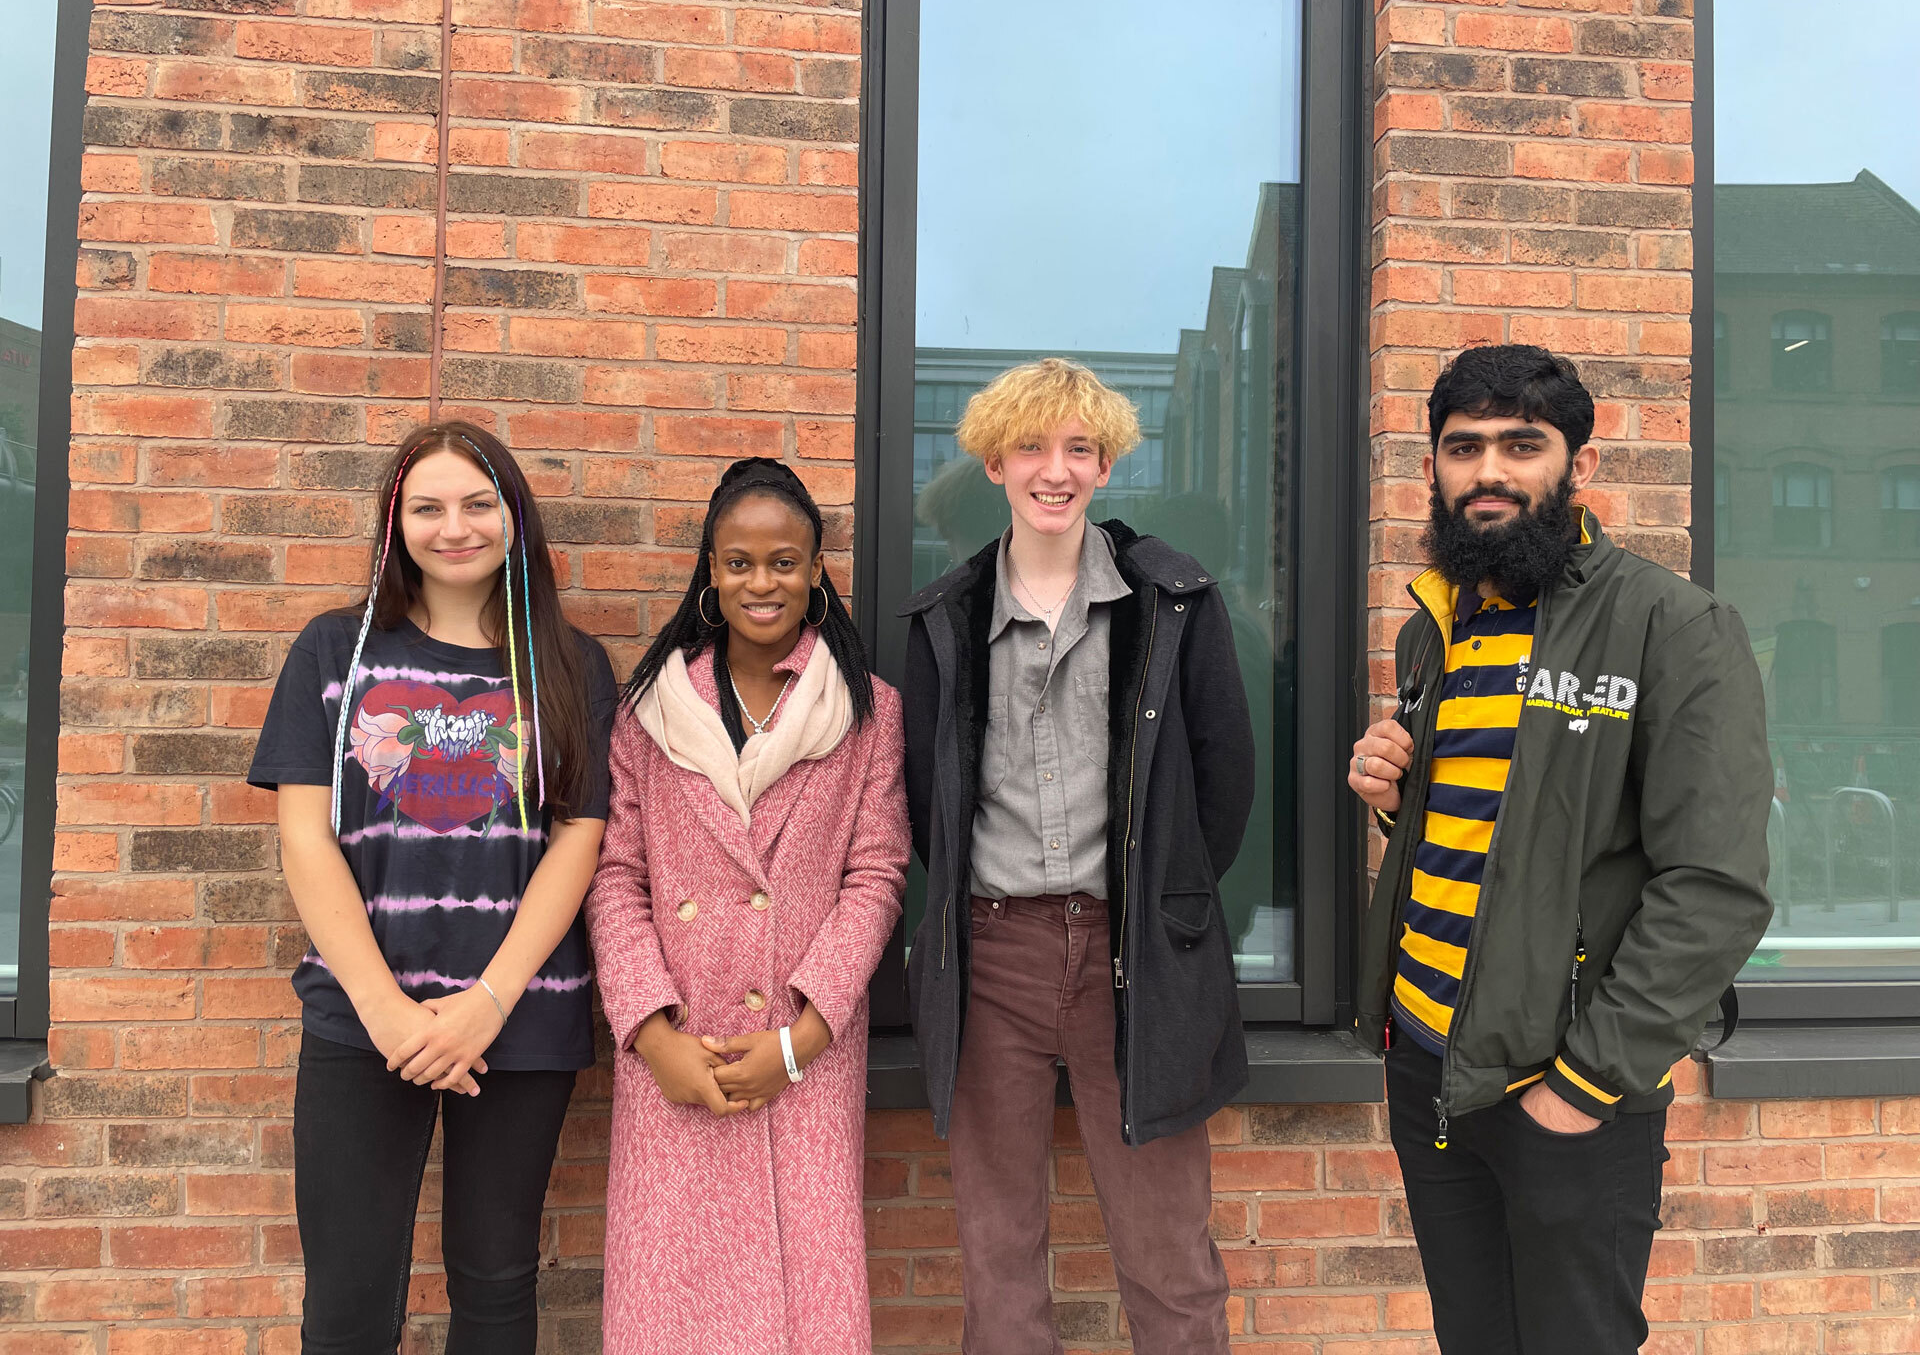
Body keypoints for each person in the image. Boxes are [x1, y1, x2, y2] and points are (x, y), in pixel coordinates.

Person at [1346, 344, 1772, 1355]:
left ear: (1578, 467)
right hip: (1433, 1071)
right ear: (1434, 471)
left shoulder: (1674, 626)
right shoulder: (1436, 630)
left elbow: (1713, 890)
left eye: (1520, 444)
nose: (1489, 470)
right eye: (1464, 448)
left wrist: (1582, 1090)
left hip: (1567, 1089)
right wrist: (1391, 802)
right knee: (1474, 1339)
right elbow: (1500, 840)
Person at [900, 358, 1255, 1355]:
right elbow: (929, 806)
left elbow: (1223, 784)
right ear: (993, 462)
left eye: (1078, 450)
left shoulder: (1174, 601)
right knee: (999, 1253)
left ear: (1105, 467)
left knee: (1169, 1252)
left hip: (1133, 955)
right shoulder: (946, 621)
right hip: (992, 957)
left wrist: (1164, 905)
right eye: (1031, 448)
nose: (1054, 471)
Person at [247, 420, 618, 1354]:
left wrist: (486, 1006)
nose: (455, 527)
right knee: (348, 1303)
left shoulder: (571, 666)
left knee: (496, 1291)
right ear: (395, 524)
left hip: (519, 1021)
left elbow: (579, 841)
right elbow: (305, 837)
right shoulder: (335, 652)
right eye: (428, 507)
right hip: (360, 1018)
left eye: (478, 503)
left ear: (513, 517)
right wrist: (388, 1014)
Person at [587, 457, 908, 1355]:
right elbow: (617, 877)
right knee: (673, 1312)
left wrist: (800, 1042)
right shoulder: (646, 714)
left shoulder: (865, 712)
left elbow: (877, 876)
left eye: (782, 562)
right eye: (738, 562)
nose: (760, 582)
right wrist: (652, 1037)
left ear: (815, 574)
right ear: (710, 573)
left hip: (803, 1056)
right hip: (677, 1057)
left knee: (802, 1312)